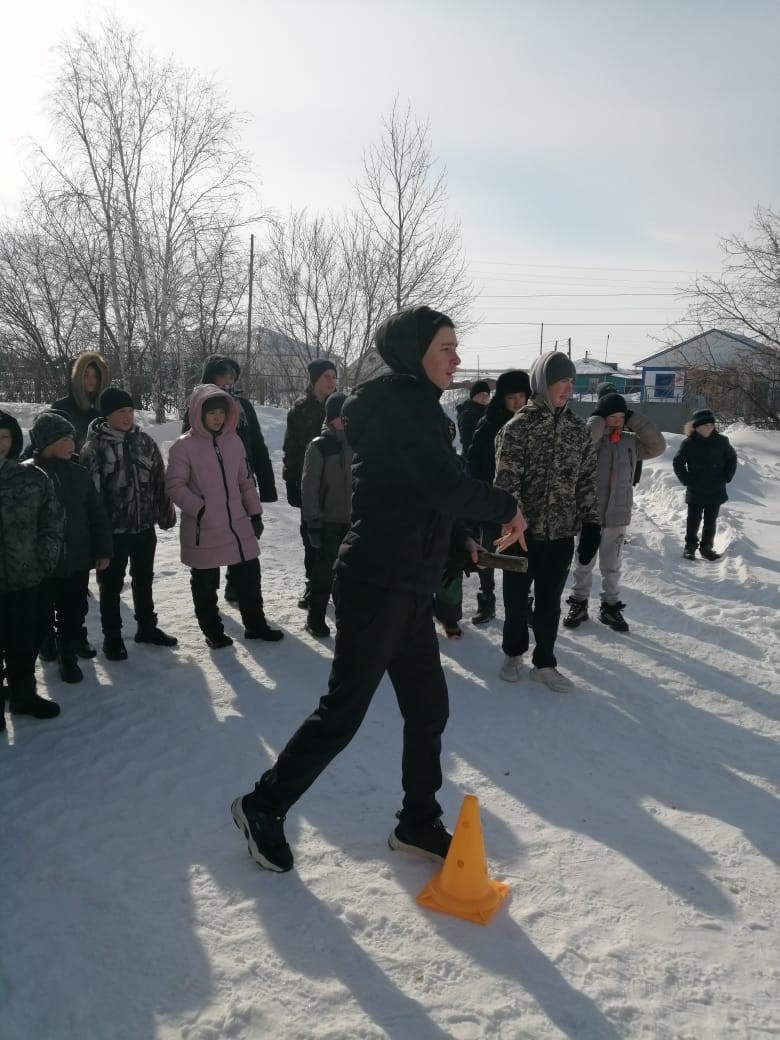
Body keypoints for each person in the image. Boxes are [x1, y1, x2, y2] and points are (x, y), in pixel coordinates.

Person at [230, 305, 526, 873]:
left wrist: (460, 539)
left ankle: (417, 820)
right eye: (445, 347)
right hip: (376, 582)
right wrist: (507, 506)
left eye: (456, 347)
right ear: (414, 353)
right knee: (343, 712)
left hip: (409, 584)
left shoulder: (417, 408)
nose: (456, 358)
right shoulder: (402, 408)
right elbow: (445, 485)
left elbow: (420, 496)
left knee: (428, 709)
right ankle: (261, 805)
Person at [494, 351, 599, 692]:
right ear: (542, 383)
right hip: (521, 534)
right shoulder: (518, 428)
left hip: (561, 533)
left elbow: (586, 480)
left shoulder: (577, 430)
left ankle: (545, 662)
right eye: (560, 381)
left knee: (550, 601)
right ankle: (513, 653)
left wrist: (592, 524)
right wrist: (514, 522)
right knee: (515, 598)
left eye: (571, 381)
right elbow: (506, 484)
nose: (567, 388)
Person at [167, 385, 272, 649]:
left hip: (237, 524)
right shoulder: (184, 447)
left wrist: (255, 512)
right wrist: (200, 509)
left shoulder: (233, 441)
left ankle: (256, 626)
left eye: (221, 413)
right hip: (204, 527)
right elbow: (175, 487)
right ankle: (213, 632)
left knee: (250, 576)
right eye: (211, 413)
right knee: (205, 583)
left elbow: (245, 481)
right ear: (198, 414)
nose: (217, 418)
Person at [80, 388, 178, 661]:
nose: (126, 416)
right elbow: (91, 498)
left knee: (144, 579)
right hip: (112, 532)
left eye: (129, 411)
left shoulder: (144, 441)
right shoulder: (94, 448)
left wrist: (165, 513)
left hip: (144, 526)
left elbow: (160, 479)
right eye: (119, 412)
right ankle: (113, 638)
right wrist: (96, 536)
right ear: (107, 415)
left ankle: (147, 627)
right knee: (111, 585)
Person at [182, 356, 279, 626]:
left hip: (241, 485)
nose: (228, 381)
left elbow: (257, 446)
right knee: (210, 551)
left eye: (232, 376)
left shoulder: (243, 406)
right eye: (223, 375)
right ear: (210, 377)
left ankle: (236, 589)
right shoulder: (196, 408)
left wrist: (267, 488)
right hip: (209, 492)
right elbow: (187, 453)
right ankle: (209, 615)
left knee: (243, 543)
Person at [564, 393, 666, 633]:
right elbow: (584, 441)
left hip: (618, 514)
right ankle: (579, 602)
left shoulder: (631, 442)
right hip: (591, 513)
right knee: (584, 560)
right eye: (612, 416)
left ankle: (610, 606)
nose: (617, 421)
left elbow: (658, 446)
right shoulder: (593, 440)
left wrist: (634, 419)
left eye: (622, 416)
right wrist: (599, 420)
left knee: (612, 564)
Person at [27, 412, 113, 682]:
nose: (72, 444)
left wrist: (102, 550)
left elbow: (96, 514)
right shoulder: (29, 473)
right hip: (43, 562)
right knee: (41, 611)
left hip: (76, 558)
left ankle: (68, 653)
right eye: (65, 439)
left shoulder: (79, 474)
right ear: (47, 442)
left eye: (72, 438)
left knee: (73, 610)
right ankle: (46, 642)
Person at [0, 410, 63, 725]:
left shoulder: (32, 477)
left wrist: (45, 556)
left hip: (26, 577)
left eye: (4, 437)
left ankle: (24, 696)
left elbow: (52, 522)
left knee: (24, 642)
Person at [466, 369, 531, 625]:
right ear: (501, 398)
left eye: (521, 395)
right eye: (511, 396)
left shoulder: (533, 424)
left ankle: (524, 603)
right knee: (489, 552)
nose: (516, 402)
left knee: (523, 555)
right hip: (492, 502)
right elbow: (474, 462)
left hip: (524, 506)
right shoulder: (489, 423)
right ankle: (487, 598)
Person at [282, 359, 338, 608]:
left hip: (338, 484)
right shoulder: (300, 409)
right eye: (327, 376)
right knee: (311, 536)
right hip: (311, 485)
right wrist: (291, 483)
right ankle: (314, 584)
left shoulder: (341, 407)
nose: (332, 381)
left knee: (338, 535)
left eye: (334, 376)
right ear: (315, 379)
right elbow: (291, 450)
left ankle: (337, 584)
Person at [300, 391, 352, 638]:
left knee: (350, 576)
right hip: (328, 521)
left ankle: (347, 619)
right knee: (323, 573)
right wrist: (313, 521)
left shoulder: (358, 443)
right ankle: (315, 617)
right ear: (331, 418)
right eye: (341, 416)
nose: (345, 420)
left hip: (353, 521)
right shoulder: (319, 445)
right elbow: (309, 486)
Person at [673, 409, 737, 561]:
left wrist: (727, 476)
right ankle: (690, 547)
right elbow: (678, 462)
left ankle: (706, 547)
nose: (709, 428)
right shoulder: (688, 443)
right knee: (693, 520)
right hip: (696, 490)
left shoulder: (722, 441)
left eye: (711, 425)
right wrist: (687, 479)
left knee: (711, 521)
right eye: (706, 425)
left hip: (716, 489)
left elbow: (732, 458)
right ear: (697, 427)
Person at [51, 351, 110, 453]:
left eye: (95, 375)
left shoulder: (104, 408)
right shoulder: (61, 407)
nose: (91, 379)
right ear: (78, 377)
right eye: (86, 374)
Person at [455, 379, 490, 456]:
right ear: (473, 396)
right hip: (472, 459)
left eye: (486, 395)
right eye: (480, 394)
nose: (484, 397)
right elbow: (468, 442)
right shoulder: (467, 414)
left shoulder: (488, 412)